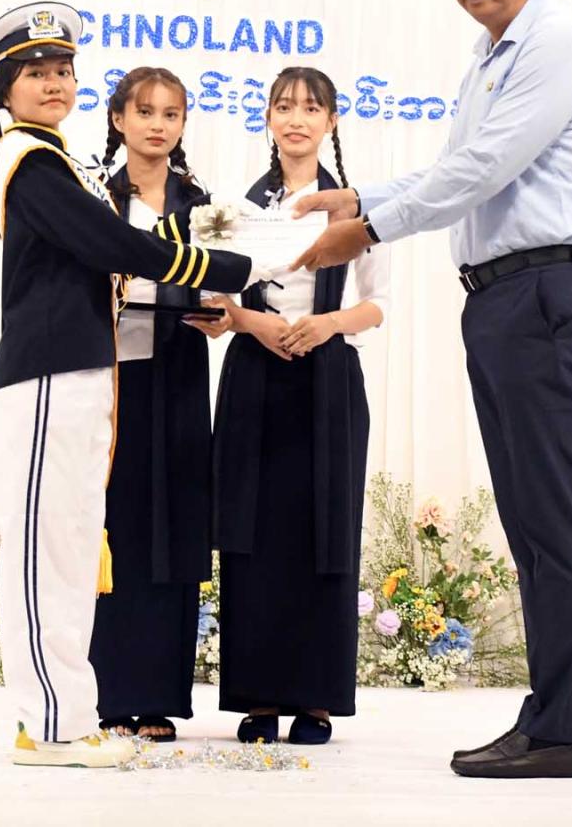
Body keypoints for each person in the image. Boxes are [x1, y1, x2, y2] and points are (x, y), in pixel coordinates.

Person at [291, 0, 572, 778]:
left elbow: (483, 169)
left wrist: (367, 230)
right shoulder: (490, 57)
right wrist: (362, 199)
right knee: (532, 517)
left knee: (551, 516)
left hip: (548, 290)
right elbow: (455, 170)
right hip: (507, 297)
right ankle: (550, 717)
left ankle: (561, 730)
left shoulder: (556, 45)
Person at [0, 3, 263, 768]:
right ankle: (49, 726)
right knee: (46, 552)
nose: (55, 83)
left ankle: (66, 717)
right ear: (6, 85)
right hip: (47, 371)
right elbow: (110, 243)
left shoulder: (50, 156)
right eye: (37, 72)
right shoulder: (29, 159)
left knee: (69, 545)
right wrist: (229, 266)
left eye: (64, 71)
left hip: (78, 371)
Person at [192, 67, 388, 745]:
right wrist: (253, 325)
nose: (296, 119)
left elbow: (378, 304)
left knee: (323, 532)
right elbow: (218, 298)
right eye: (284, 107)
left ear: (331, 121)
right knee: (250, 531)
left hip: (329, 377)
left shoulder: (353, 210)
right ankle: (258, 698)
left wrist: (326, 324)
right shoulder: (236, 208)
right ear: (268, 119)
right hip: (254, 371)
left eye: (311, 107)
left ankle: (316, 699)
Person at [87, 67, 215, 742]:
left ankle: (160, 696)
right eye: (145, 112)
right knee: (114, 524)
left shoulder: (202, 205)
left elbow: (224, 287)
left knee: (174, 527)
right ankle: (109, 694)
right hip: (107, 380)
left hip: (180, 373)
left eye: (171, 113)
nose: (158, 125)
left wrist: (223, 311)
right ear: (119, 120)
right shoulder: (95, 198)